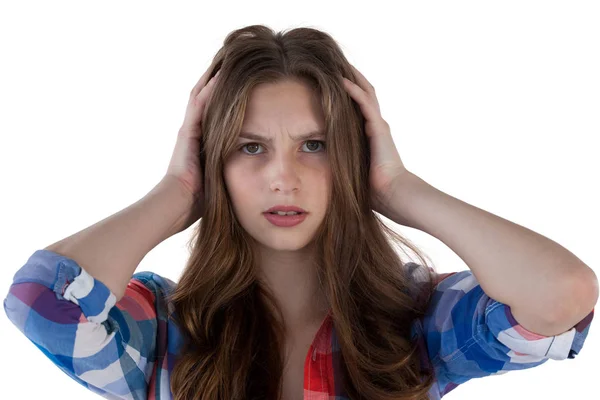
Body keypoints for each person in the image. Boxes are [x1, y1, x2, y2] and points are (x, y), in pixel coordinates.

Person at [3, 24, 595, 400]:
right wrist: (177, 190)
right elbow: (39, 302)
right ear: (217, 166)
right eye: (250, 147)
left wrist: (403, 190)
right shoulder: (162, 329)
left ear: (353, 159)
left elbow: (563, 295)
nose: (283, 177)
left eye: (315, 145)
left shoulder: (415, 322)